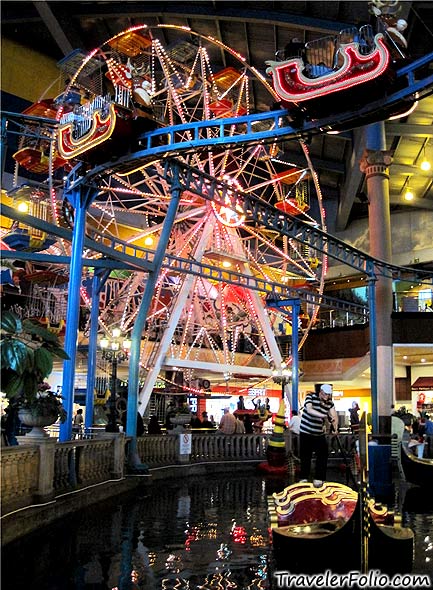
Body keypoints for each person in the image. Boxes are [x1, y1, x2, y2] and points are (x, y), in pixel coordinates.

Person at [299, 384, 338, 487]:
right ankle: (304, 478)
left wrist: (335, 427)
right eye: (325, 394)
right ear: (320, 392)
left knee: (323, 454)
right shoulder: (310, 397)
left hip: (318, 433)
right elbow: (309, 410)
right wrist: (324, 416)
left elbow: (334, 415)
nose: (327, 397)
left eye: (328, 395)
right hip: (306, 431)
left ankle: (319, 478)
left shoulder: (330, 403)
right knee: (305, 455)